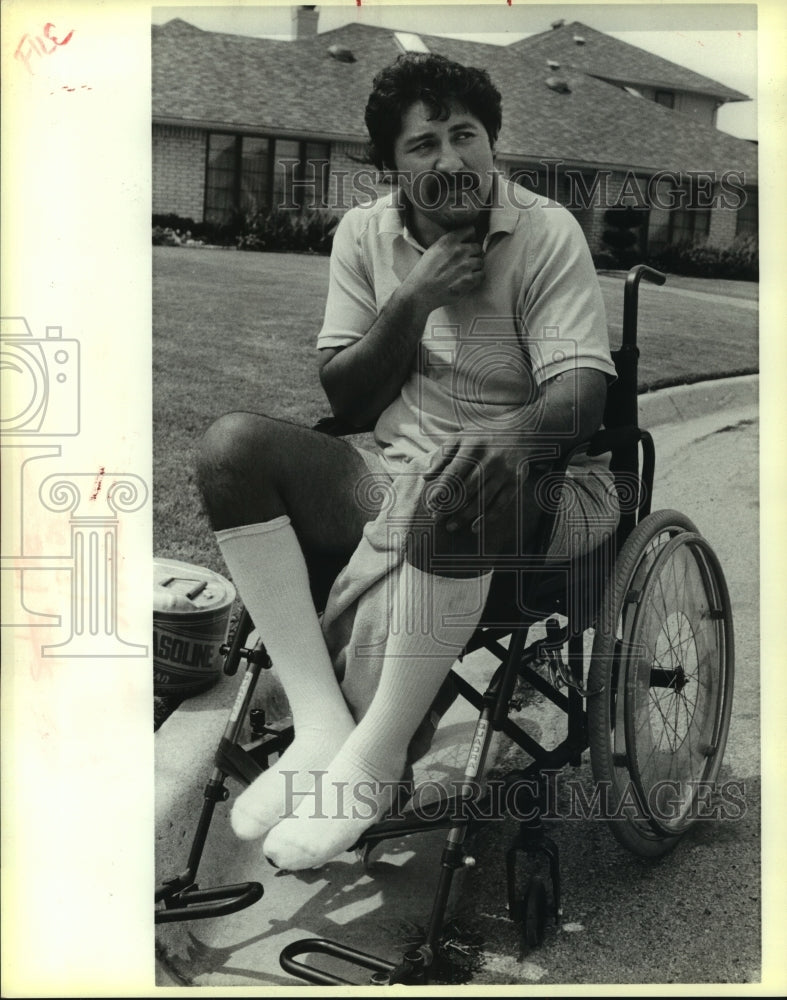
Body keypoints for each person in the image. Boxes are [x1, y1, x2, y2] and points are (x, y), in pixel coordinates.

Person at [196, 53, 618, 871]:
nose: (451, 159)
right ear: (391, 164)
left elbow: (581, 394)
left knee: (457, 476)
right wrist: (411, 298)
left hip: (533, 485)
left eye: (465, 135)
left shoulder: (543, 229)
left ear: (492, 143)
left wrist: (516, 433)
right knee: (230, 449)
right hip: (392, 479)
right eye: (424, 143)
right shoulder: (364, 234)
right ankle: (321, 728)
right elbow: (348, 402)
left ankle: (374, 756)